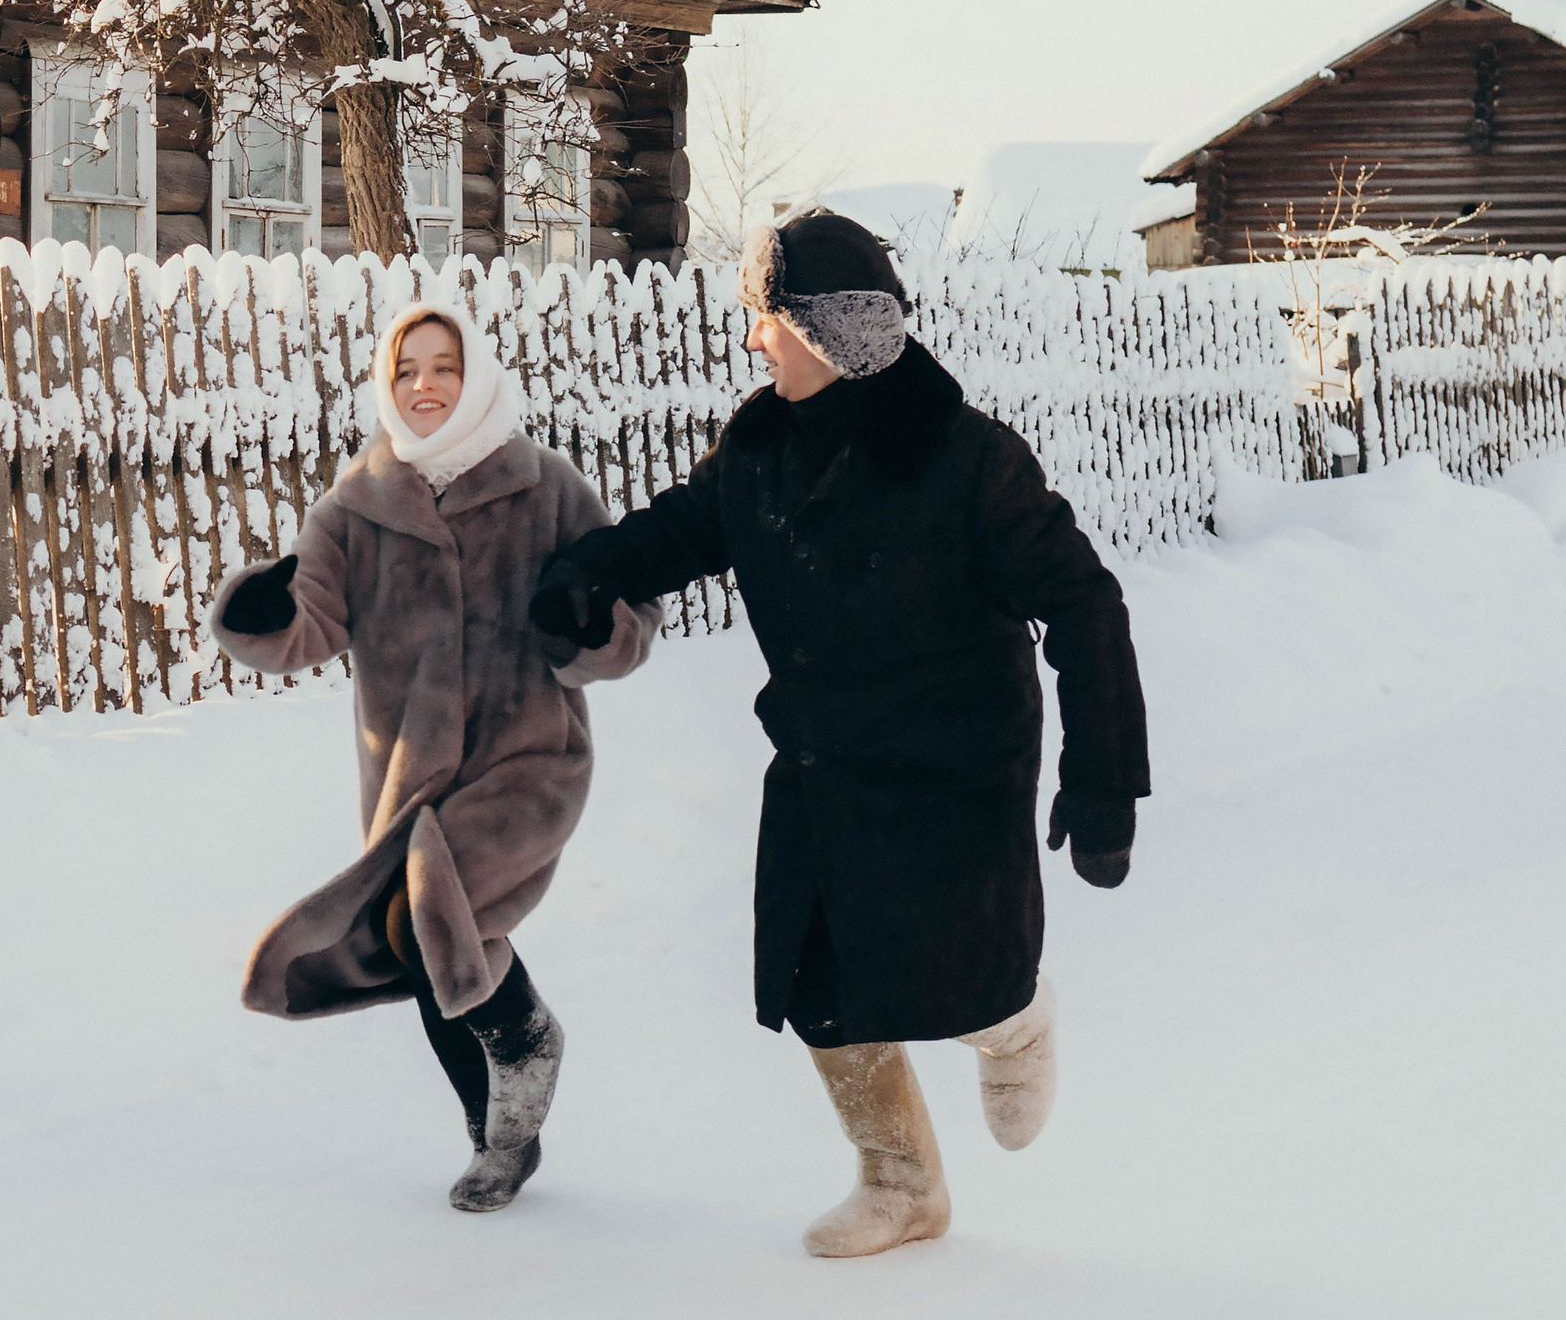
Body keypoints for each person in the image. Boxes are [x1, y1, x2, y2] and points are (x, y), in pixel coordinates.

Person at [529, 210, 1150, 1257]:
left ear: (826, 329)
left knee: (962, 980)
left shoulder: (967, 459)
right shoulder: (760, 450)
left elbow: (1085, 605)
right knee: (815, 985)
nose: (751, 340)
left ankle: (1013, 1021)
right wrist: (586, 574)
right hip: (824, 761)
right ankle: (901, 1184)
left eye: (766, 319)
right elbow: (679, 531)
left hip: (953, 768)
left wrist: (1102, 780)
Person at [211, 303, 658, 1213]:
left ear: (476, 374)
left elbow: (633, 624)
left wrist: (587, 626)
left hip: (530, 762)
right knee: (420, 941)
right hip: (409, 778)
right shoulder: (355, 505)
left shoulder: (549, 489)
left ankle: (525, 1042)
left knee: (426, 921)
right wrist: (263, 616)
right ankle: (496, 1136)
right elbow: (311, 625)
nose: (424, 384)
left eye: (444, 366)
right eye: (406, 368)